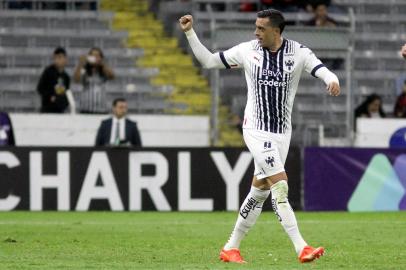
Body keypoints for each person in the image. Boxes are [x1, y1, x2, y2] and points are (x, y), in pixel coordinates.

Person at [179, 9, 340, 264]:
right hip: (255, 128)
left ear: (276, 31)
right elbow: (209, 61)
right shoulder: (247, 51)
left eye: (261, 28)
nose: (256, 32)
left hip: (282, 133)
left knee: (260, 191)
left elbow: (320, 68)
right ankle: (301, 247)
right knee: (280, 185)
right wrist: (189, 32)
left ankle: (231, 247)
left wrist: (331, 79)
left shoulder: (297, 52)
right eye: (256, 27)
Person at [74, 47, 114, 114]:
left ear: (101, 57)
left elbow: (112, 76)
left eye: (97, 55)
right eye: (92, 55)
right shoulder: (84, 69)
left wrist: (101, 63)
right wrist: (80, 63)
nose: (95, 57)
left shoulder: (103, 69)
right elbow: (76, 79)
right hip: (86, 108)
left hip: (101, 109)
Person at [37, 47, 70, 113]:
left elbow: (66, 92)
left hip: (60, 110)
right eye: (56, 58)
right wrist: (50, 97)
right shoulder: (48, 72)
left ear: (65, 59)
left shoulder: (66, 77)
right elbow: (40, 88)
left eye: (60, 57)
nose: (57, 60)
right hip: (47, 109)